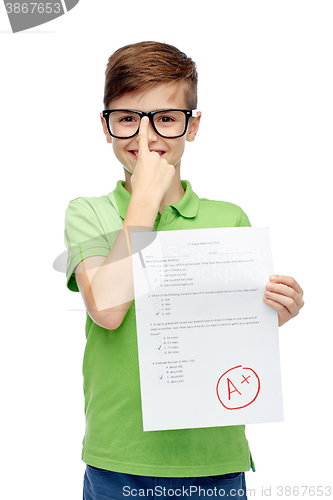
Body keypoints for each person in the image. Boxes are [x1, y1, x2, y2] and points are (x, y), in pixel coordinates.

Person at [64, 41, 304, 500]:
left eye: (166, 119)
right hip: (121, 459)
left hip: (213, 458)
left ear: (192, 128)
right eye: (128, 118)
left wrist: (274, 313)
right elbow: (109, 310)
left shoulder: (229, 217)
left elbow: (230, 334)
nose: (145, 135)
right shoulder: (88, 212)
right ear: (106, 125)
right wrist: (145, 201)